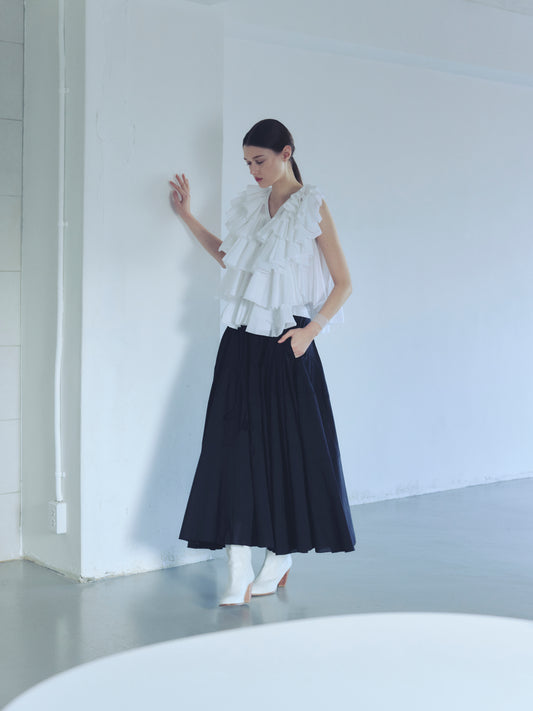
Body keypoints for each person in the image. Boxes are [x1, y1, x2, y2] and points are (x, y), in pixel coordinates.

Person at [169, 118, 356, 606]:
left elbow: (343, 283)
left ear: (286, 152)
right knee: (230, 452)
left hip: (287, 344)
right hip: (240, 343)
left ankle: (280, 556)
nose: (253, 171)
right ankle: (237, 568)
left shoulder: (312, 206)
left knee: (286, 455)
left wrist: (311, 332)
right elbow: (230, 258)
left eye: (260, 160)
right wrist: (188, 217)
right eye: (248, 162)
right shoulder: (252, 205)